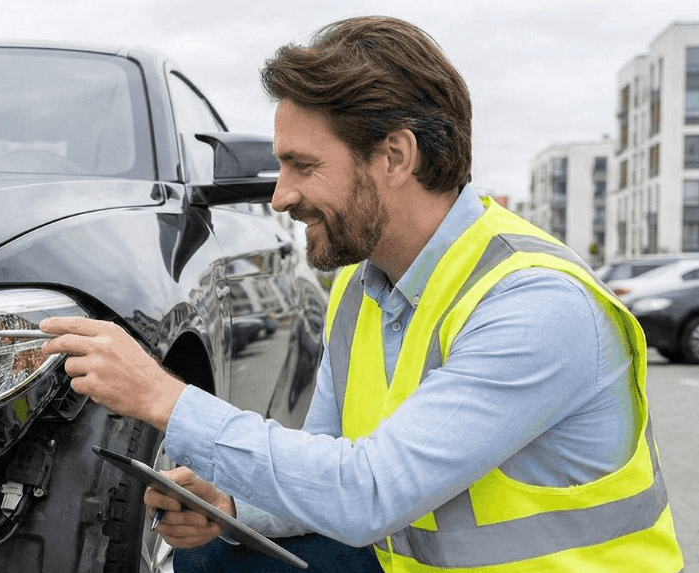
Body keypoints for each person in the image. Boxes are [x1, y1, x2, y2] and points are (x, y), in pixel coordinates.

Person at [40, 15, 685, 573]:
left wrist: (163, 396)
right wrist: (231, 503)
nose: (280, 196)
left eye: (304, 165)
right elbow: (327, 466)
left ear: (396, 157)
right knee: (214, 552)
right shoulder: (362, 284)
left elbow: (367, 493)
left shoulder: (534, 304)